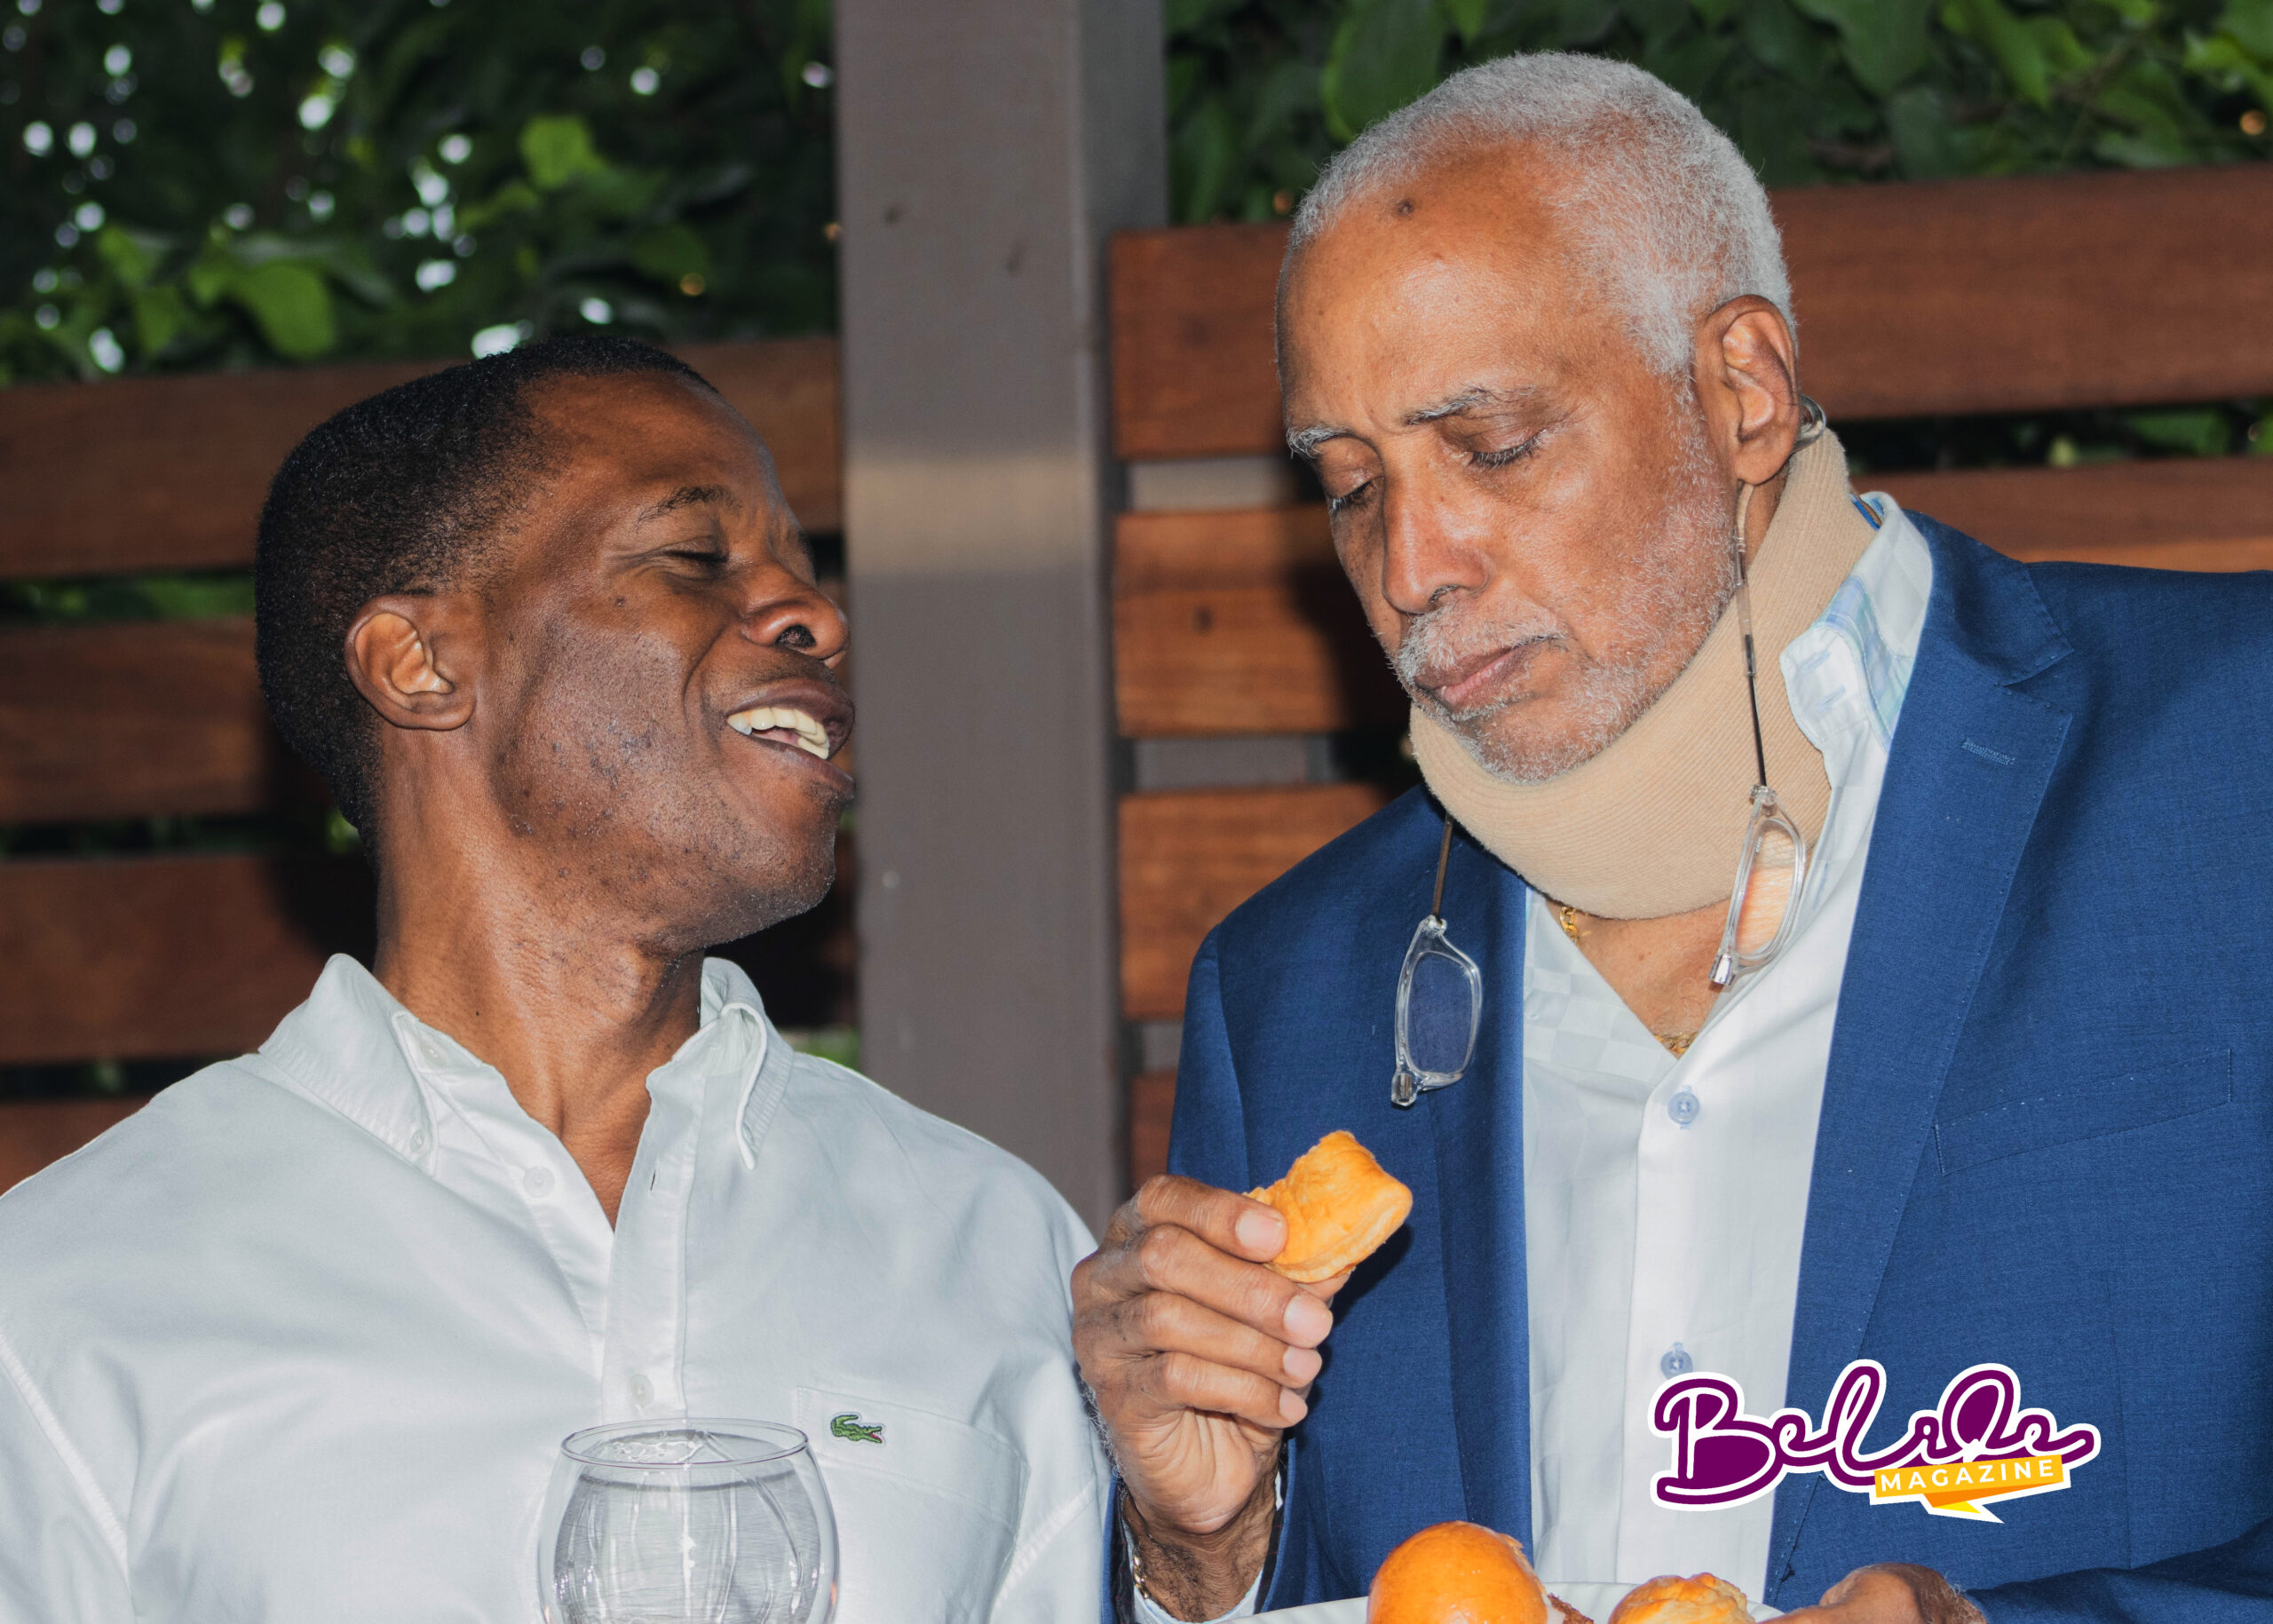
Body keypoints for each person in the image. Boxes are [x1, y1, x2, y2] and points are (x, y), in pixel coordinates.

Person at [1073, 52, 2273, 1624]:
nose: (1411, 564)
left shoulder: (2235, 759)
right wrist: (1202, 1549)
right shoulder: (1287, 988)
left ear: (1744, 392)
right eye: (1353, 485)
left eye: (1492, 443)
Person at [0, 337, 1106, 1620]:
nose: (818, 615)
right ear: (422, 665)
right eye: (693, 556)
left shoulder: (995, 1244)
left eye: (802, 568)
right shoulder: (65, 1296)